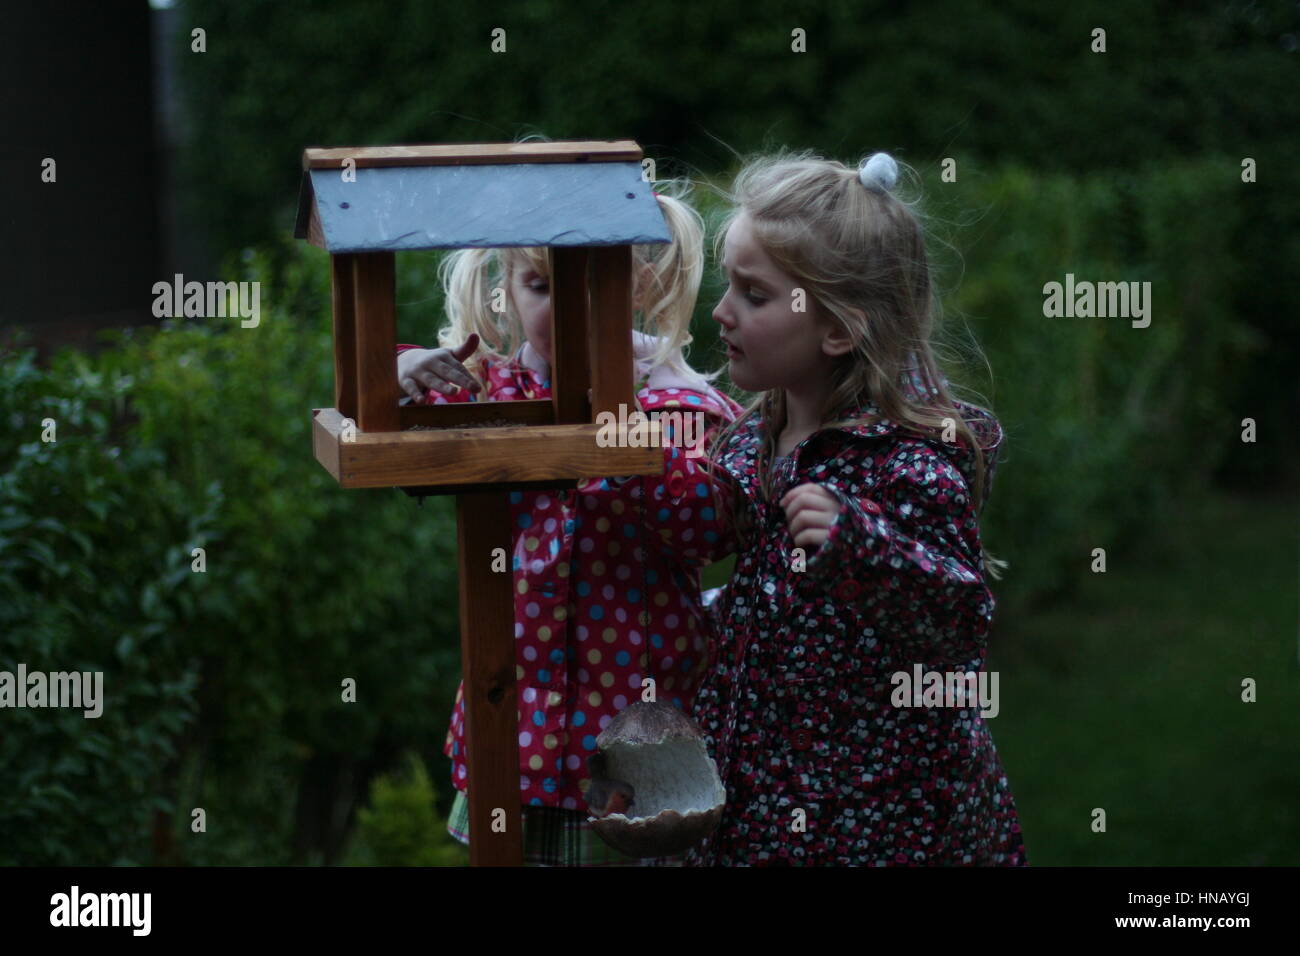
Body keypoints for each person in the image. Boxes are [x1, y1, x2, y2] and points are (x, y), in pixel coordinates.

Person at [685, 150, 1026, 866]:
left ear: (838, 330)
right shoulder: (752, 439)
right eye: (728, 287)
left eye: (753, 295)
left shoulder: (907, 463)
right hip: (764, 805)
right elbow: (765, 600)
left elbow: (961, 619)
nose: (721, 312)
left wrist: (861, 543)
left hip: (884, 817)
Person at [395, 186, 743, 866]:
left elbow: (711, 529)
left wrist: (641, 448)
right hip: (515, 730)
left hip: (638, 739)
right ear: (508, 293)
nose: (564, 307)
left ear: (636, 288)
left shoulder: (676, 402)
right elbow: (406, 423)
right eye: (539, 285)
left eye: (590, 285)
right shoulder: (497, 393)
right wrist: (400, 364)